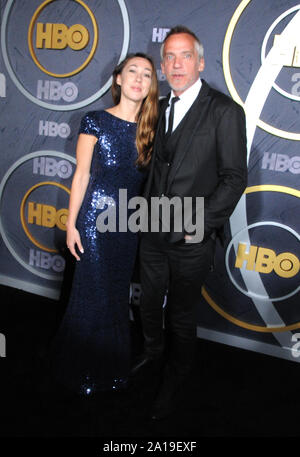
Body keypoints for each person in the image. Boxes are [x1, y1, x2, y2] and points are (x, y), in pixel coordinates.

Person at [132, 26, 247, 419]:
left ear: (200, 62)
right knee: (148, 303)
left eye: (184, 56)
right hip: (152, 230)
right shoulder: (159, 107)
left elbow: (234, 178)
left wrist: (195, 225)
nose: (176, 64)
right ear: (162, 65)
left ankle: (177, 376)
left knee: (180, 314)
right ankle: (151, 354)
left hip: (191, 238)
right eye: (168, 57)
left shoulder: (225, 111)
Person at [50, 53, 158, 396]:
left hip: (127, 224)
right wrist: (71, 225)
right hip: (95, 220)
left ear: (150, 84)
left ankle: (110, 367)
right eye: (132, 72)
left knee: (114, 295)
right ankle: (80, 367)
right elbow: (81, 175)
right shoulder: (95, 120)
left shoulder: (153, 128)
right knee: (90, 292)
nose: (139, 79)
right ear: (118, 79)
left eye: (146, 74)